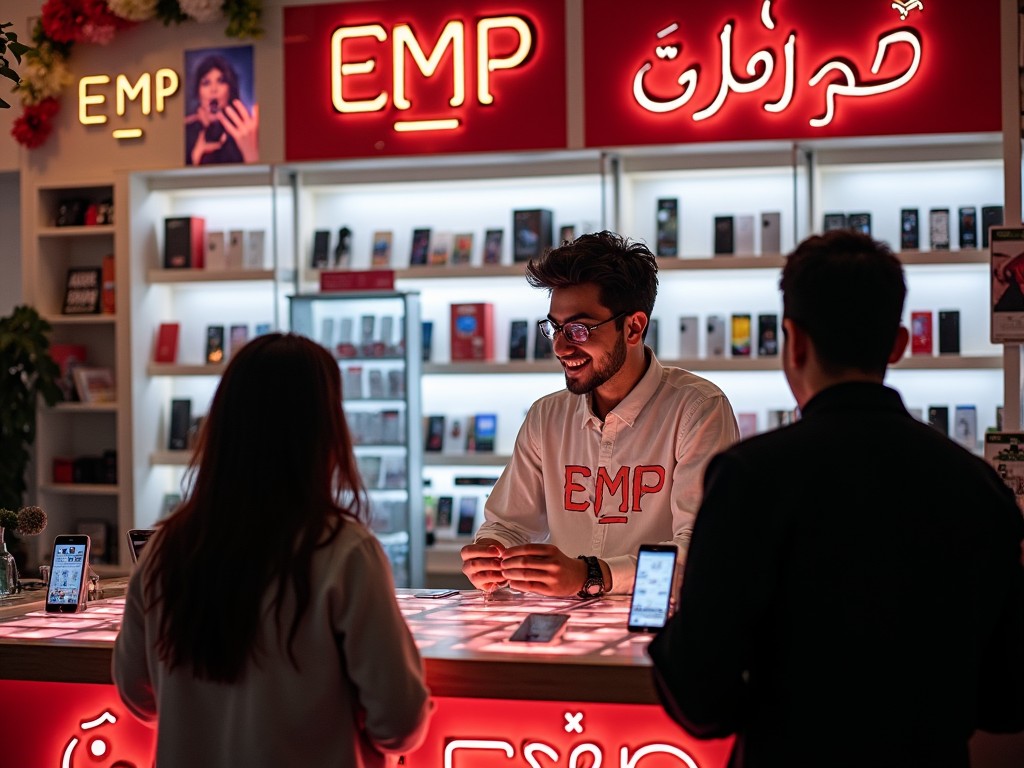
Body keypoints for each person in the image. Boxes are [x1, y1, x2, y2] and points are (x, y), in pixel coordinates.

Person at [649, 230, 1024, 767]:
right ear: (898, 343)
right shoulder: (977, 484)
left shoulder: (751, 475)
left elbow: (701, 693)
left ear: (794, 341)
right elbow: (1007, 698)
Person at [113, 333, 432, 767]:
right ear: (325, 429)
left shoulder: (164, 549)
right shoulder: (344, 551)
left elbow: (138, 693)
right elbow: (399, 721)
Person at [460, 230, 741, 597]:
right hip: (561, 630)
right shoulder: (547, 416)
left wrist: (593, 575)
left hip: (659, 628)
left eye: (578, 329)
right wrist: (489, 553)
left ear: (633, 327)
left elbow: (704, 551)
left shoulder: (697, 409)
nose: (560, 346)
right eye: (555, 328)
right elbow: (509, 525)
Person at [185, 53, 259, 166]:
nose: (213, 89)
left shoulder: (245, 132)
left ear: (230, 90)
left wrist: (250, 152)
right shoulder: (187, 133)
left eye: (221, 81)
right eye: (206, 83)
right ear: (198, 93)